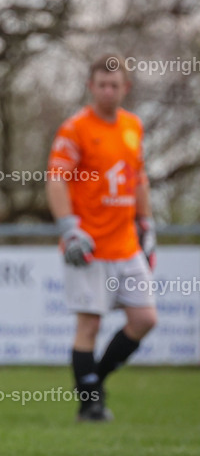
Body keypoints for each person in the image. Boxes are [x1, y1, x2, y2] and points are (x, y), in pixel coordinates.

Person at [46, 53, 157, 422]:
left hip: (126, 244)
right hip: (89, 246)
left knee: (144, 319)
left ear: (126, 88)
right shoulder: (75, 129)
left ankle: (95, 380)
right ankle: (89, 405)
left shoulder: (133, 126)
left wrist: (147, 224)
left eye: (115, 85)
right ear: (91, 87)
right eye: (102, 84)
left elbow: (138, 179)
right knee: (89, 325)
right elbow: (56, 180)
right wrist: (69, 229)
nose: (108, 91)